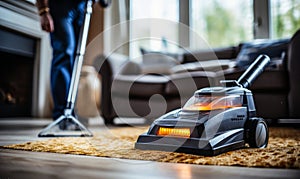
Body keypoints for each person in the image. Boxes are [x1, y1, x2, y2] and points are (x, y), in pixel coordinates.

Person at [36, 0, 87, 122]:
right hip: (60, 5)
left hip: (82, 7)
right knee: (65, 52)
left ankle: (70, 113)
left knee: (76, 58)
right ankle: (61, 113)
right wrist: (43, 11)